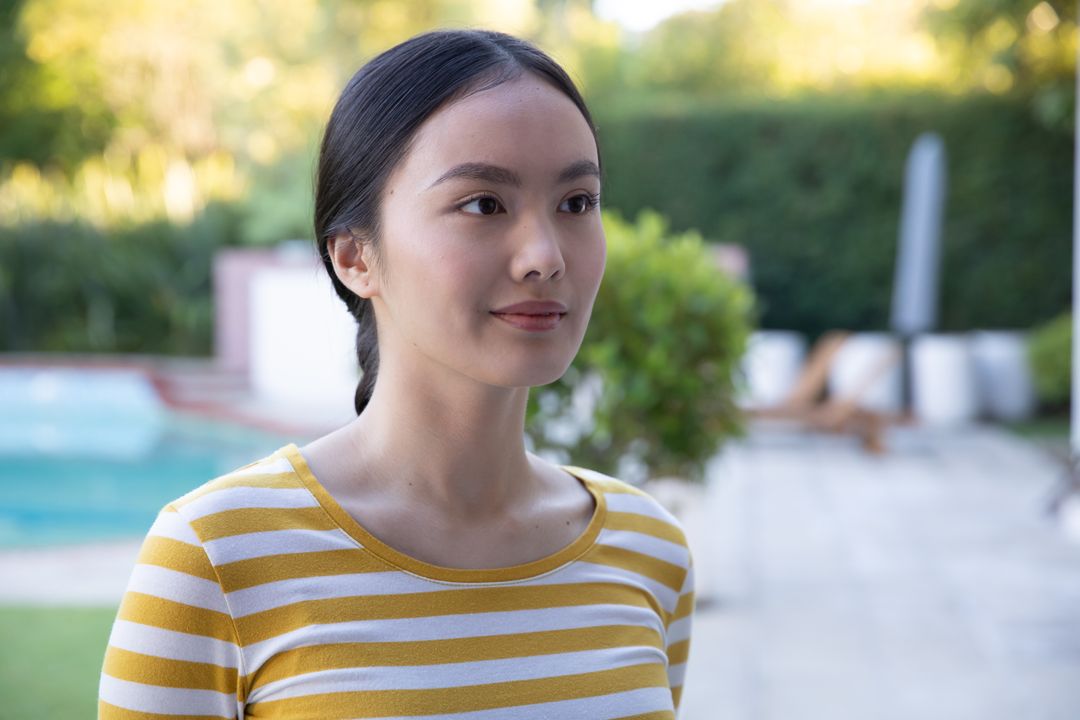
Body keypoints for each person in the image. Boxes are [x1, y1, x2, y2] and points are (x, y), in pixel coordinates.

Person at [99, 29, 695, 719]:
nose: (545, 257)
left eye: (577, 203)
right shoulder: (214, 556)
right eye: (483, 204)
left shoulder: (648, 550)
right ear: (354, 256)